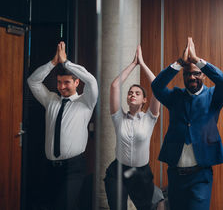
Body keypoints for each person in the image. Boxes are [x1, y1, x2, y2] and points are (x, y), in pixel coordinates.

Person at [151, 37, 223, 210]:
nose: (192, 77)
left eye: (196, 73)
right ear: (183, 76)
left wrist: (197, 61)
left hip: (200, 174)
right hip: (175, 174)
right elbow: (156, 86)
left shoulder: (212, 96)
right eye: (188, 74)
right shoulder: (175, 96)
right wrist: (180, 63)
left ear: (202, 74)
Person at [27, 41, 98, 210]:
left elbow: (92, 81)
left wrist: (66, 63)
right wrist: (53, 63)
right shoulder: (50, 99)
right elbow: (33, 81)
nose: (61, 87)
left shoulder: (85, 102)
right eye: (59, 82)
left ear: (76, 83)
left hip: (73, 168)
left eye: (66, 82)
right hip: (49, 168)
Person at [104, 45, 162, 210]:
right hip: (118, 172)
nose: (132, 94)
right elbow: (115, 86)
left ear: (145, 100)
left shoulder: (150, 118)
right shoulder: (119, 117)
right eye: (130, 92)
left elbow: (157, 85)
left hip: (140, 173)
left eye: (137, 93)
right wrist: (132, 64)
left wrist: (142, 64)